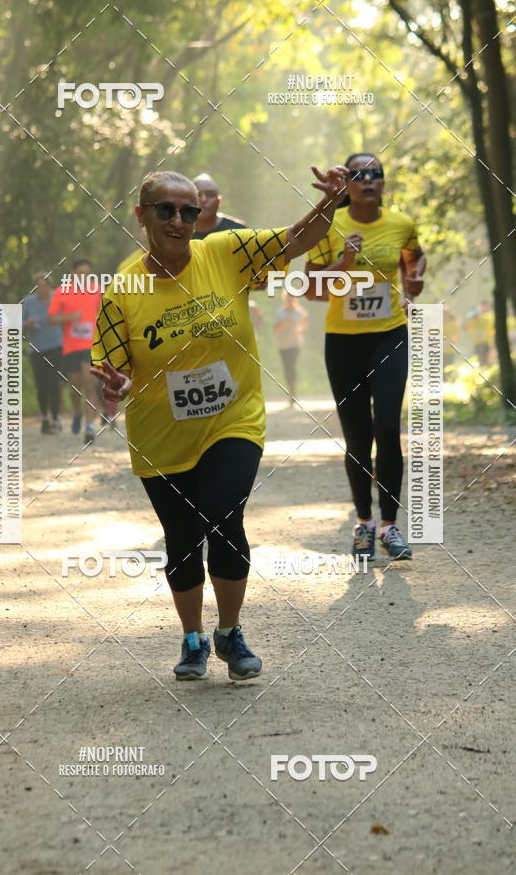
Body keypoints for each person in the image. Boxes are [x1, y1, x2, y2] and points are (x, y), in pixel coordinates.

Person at [91, 165, 347, 681]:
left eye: (190, 210)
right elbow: (112, 370)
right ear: (142, 215)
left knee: (221, 514)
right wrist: (114, 388)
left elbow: (298, 239)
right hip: (161, 434)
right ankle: (193, 639)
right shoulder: (122, 288)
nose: (180, 220)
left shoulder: (226, 253)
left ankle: (230, 632)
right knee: (182, 537)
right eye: (167, 210)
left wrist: (332, 203)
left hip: (233, 417)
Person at [305, 153, 426, 561]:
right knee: (358, 437)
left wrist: (413, 282)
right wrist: (344, 262)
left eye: (376, 173)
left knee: (388, 426)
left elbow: (415, 256)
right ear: (348, 184)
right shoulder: (329, 226)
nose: (368, 180)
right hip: (343, 341)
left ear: (384, 182)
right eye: (358, 174)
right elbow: (313, 288)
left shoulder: (400, 224)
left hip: (389, 335)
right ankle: (364, 523)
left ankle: (390, 527)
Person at [47, 259, 101, 445]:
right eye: (81, 272)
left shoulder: (97, 289)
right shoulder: (62, 292)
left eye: (87, 272)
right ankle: (77, 413)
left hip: (91, 346)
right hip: (71, 347)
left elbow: (107, 313)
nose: (84, 276)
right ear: (73, 272)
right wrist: (70, 318)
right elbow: (51, 319)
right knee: (75, 389)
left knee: (90, 385)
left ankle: (90, 428)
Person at [23, 273, 64, 433]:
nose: (42, 288)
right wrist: (28, 323)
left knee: (53, 383)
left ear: (49, 285)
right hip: (36, 348)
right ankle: (44, 418)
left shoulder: (57, 298)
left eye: (44, 285)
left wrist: (56, 319)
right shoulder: (29, 301)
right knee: (41, 385)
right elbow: (18, 322)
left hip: (55, 345)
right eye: (38, 286)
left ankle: (55, 418)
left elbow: (65, 318)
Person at [274, 290, 308, 407]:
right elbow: (276, 330)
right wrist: (287, 323)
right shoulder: (279, 313)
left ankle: (293, 393)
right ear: (284, 299)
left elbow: (303, 328)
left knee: (292, 367)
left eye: (291, 298)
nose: (289, 300)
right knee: (287, 368)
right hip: (283, 345)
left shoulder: (300, 313)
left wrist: (298, 329)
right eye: (287, 298)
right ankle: (291, 391)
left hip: (295, 344)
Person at [192, 173, 246, 239]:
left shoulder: (238, 231)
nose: (204, 200)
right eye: (198, 195)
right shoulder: (179, 231)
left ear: (219, 201)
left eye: (210, 195)